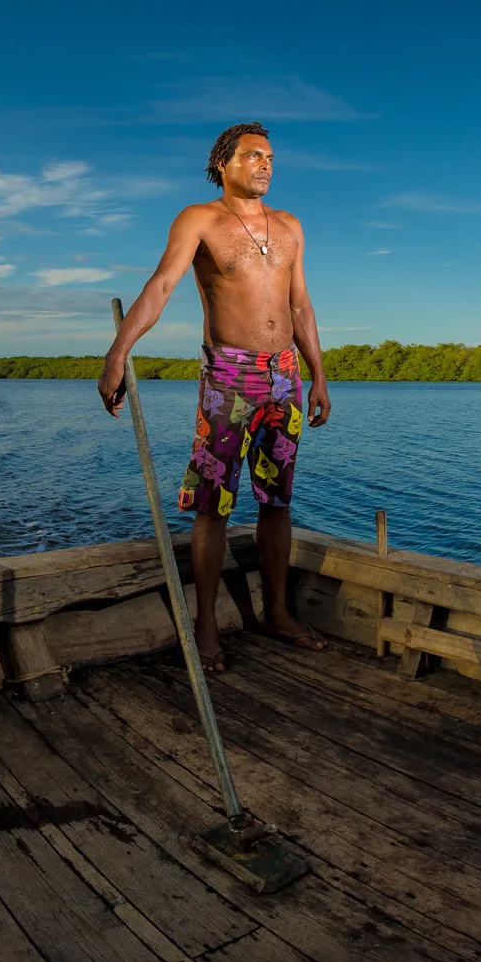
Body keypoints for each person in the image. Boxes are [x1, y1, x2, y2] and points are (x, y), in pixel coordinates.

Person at [99, 122, 332, 671]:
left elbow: (301, 306)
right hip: (229, 378)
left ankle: (276, 612)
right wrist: (117, 353)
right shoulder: (199, 219)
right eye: (253, 156)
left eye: (270, 157)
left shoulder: (292, 226)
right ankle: (205, 624)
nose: (266, 164)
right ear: (223, 164)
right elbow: (160, 287)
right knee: (213, 504)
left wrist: (317, 374)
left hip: (285, 376)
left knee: (277, 502)